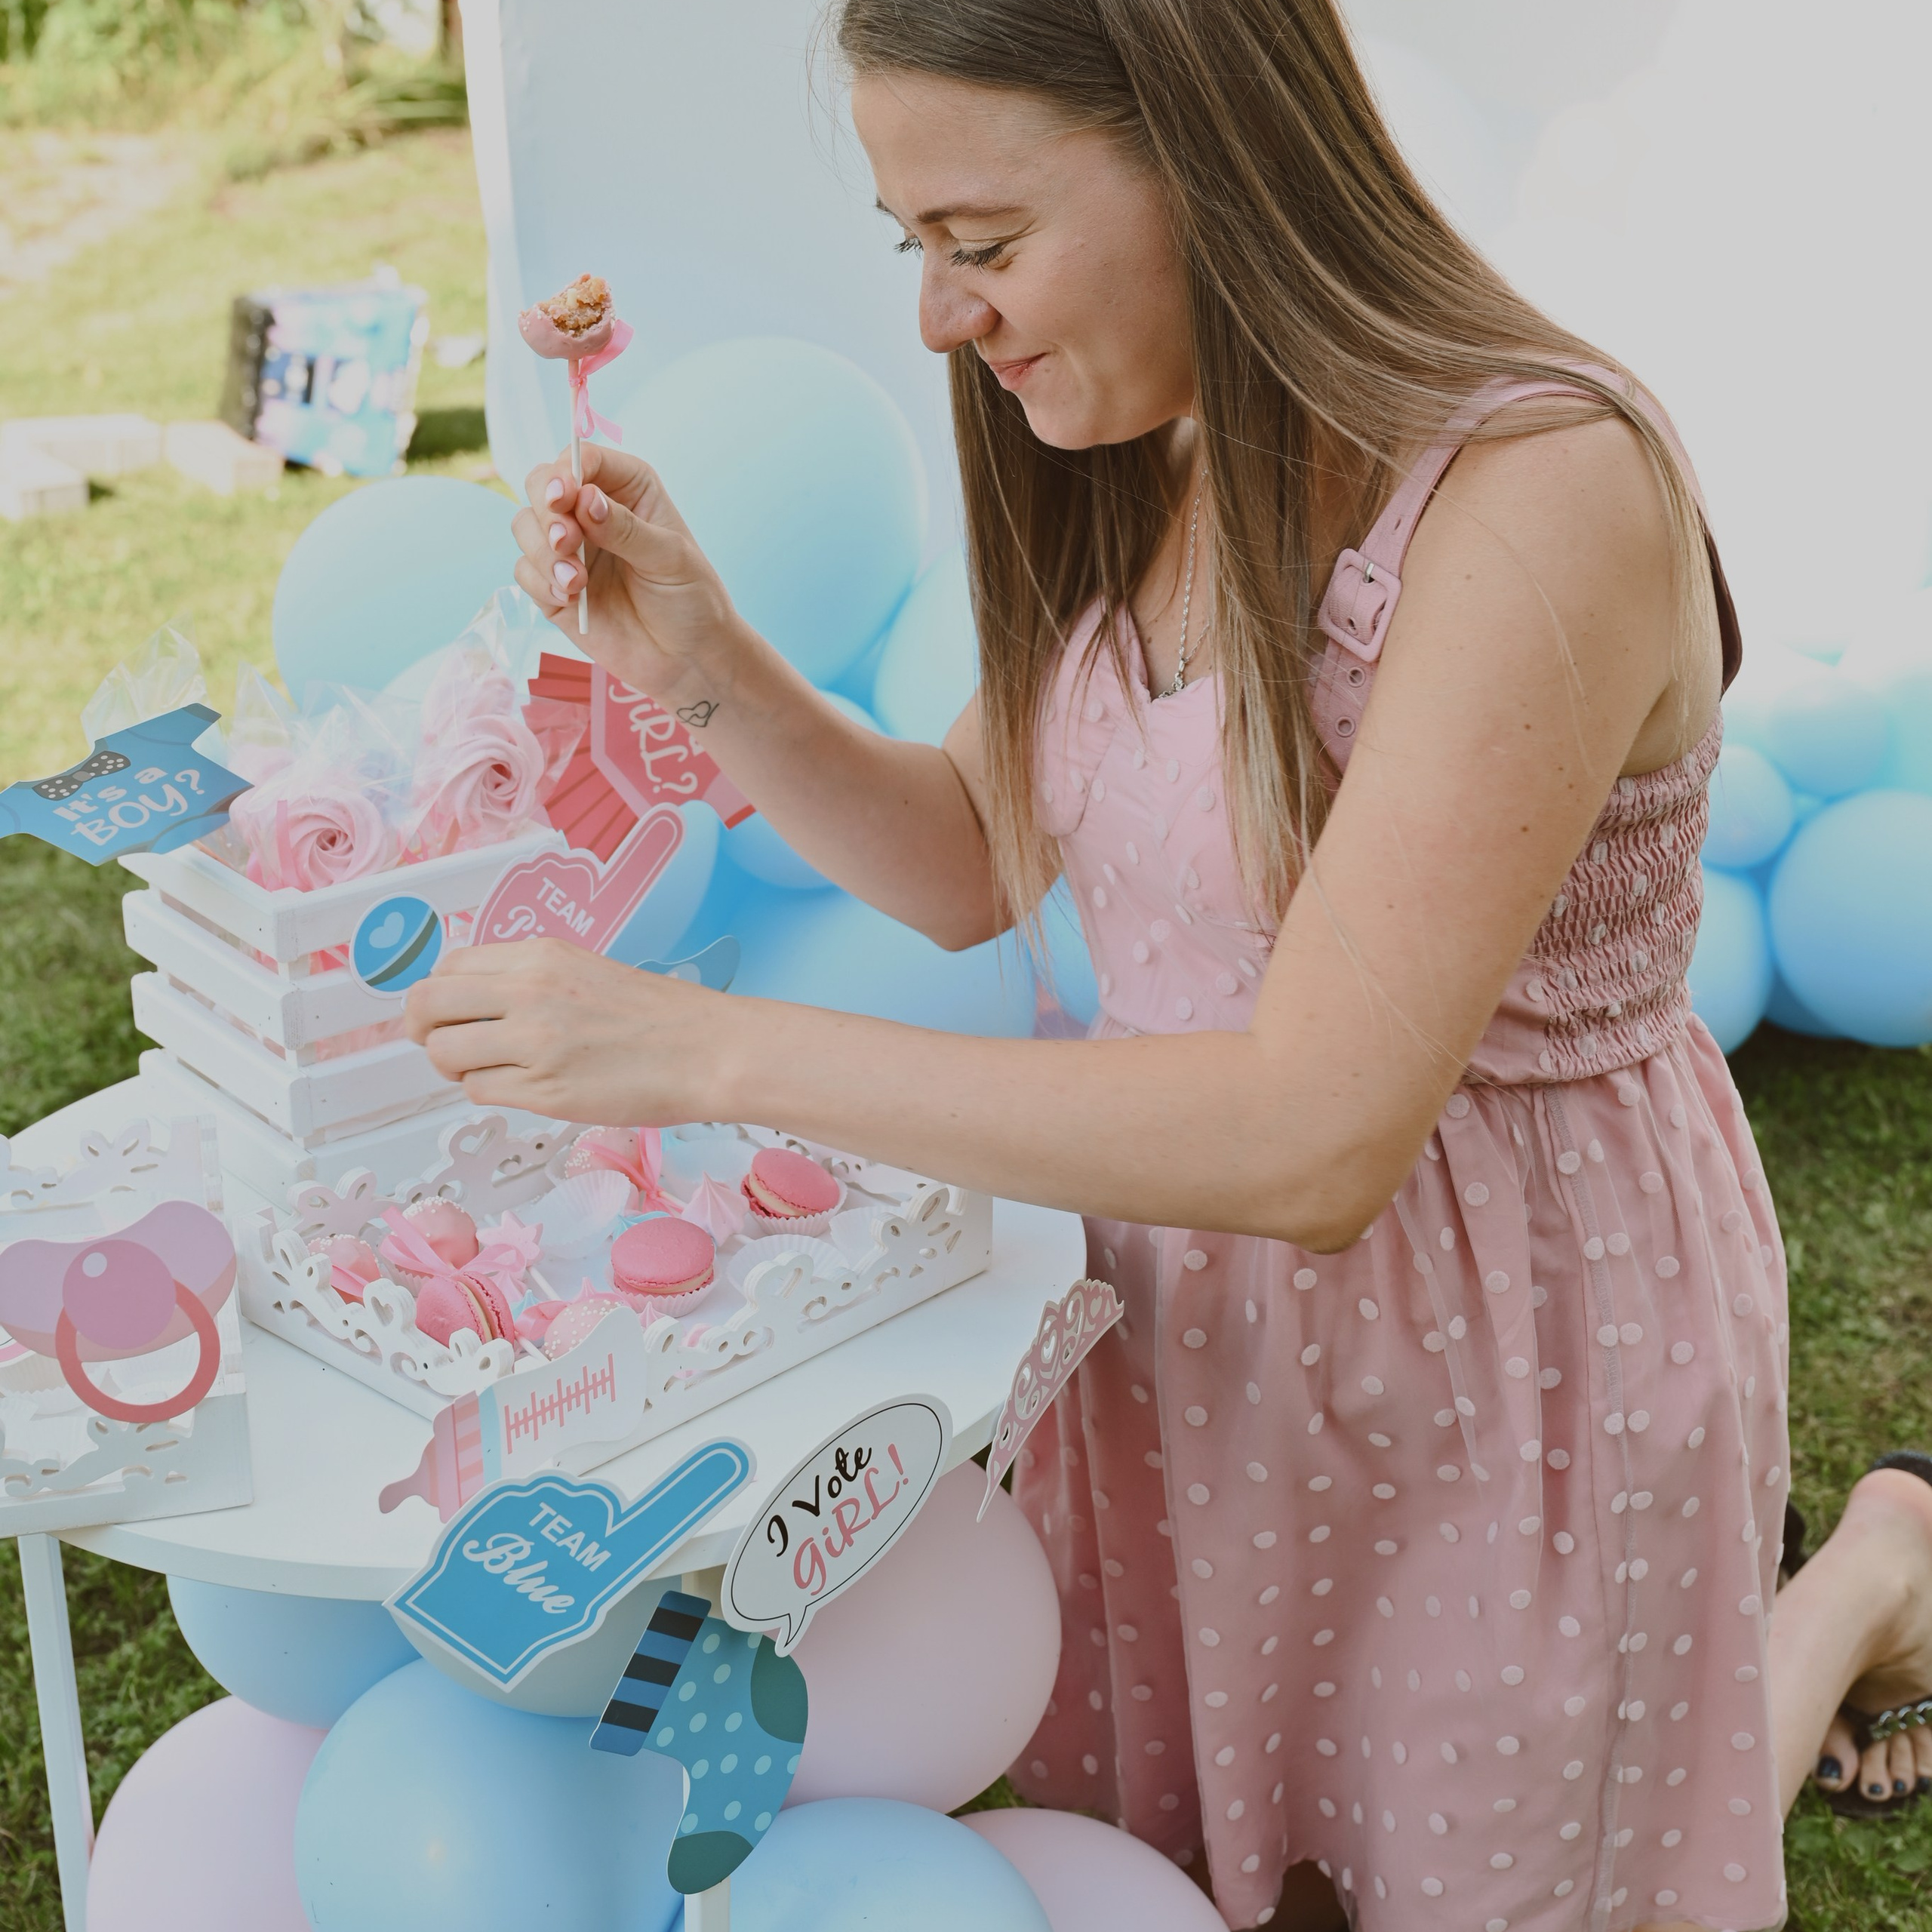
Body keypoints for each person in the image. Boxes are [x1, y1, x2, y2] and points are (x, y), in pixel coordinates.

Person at [405, 2, 1932, 1924]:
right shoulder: (1146, 434)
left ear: (1211, 150)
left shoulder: (1541, 485)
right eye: (913, 248)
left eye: (981, 241)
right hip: (1176, 1324)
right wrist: (700, 655)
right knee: (1238, 1858)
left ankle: (1875, 1565)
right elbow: (973, 857)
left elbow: (1312, 1129)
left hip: (1504, 1343)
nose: (940, 316)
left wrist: (704, 1051)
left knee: (1555, 1861)